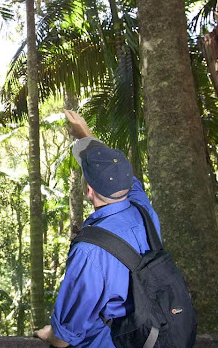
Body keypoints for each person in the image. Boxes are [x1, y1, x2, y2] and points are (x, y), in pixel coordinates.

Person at [34, 110, 161, 348]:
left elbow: (64, 338)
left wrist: (48, 334)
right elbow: (114, 171)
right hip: (150, 333)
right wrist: (85, 134)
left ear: (89, 191)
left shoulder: (90, 252)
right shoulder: (144, 209)